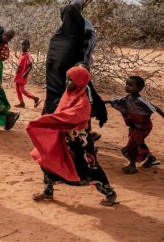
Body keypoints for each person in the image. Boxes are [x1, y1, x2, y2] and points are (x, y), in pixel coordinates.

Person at [27, 66, 117, 206]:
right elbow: (59, 113)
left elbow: (70, 117)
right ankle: (48, 191)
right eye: (67, 79)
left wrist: (46, 120)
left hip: (79, 142)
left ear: (80, 81)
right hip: (62, 138)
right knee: (46, 159)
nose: (67, 82)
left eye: (71, 80)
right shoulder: (67, 94)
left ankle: (109, 193)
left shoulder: (83, 101)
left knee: (89, 167)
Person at [105, 75, 164, 174]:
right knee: (139, 143)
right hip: (134, 126)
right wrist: (103, 102)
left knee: (132, 144)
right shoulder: (127, 98)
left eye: (131, 85)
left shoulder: (141, 101)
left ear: (139, 88)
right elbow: (115, 101)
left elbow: (156, 108)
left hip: (143, 127)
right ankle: (151, 159)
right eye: (126, 84)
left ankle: (132, 165)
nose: (127, 87)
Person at [44, 4, 85, 114]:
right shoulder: (79, 35)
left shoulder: (57, 37)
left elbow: (52, 60)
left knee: (55, 99)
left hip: (55, 78)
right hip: (67, 79)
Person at [13, 39, 40, 108]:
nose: (23, 46)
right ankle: (21, 103)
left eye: (25, 45)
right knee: (17, 89)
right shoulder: (22, 55)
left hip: (23, 75)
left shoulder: (28, 55)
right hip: (18, 75)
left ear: (28, 46)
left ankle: (35, 98)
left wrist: (26, 73)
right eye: (22, 44)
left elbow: (30, 66)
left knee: (22, 90)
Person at [70, 0, 97, 66]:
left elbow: (92, 39)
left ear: (81, 9)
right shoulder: (65, 23)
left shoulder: (85, 22)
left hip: (83, 61)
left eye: (78, 7)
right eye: (73, 7)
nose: (75, 9)